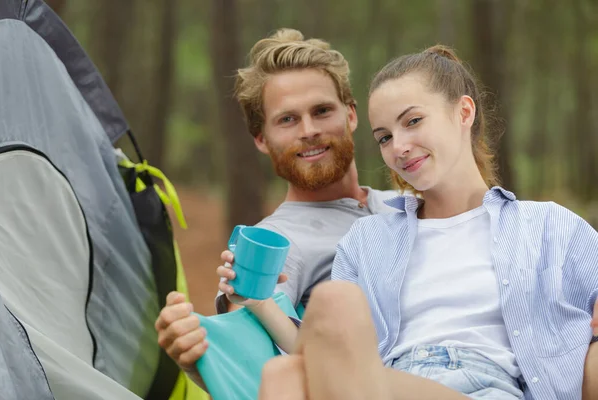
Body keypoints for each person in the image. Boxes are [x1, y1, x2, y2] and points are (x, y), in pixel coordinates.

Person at [216, 45, 598, 398]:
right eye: (384, 137)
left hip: (483, 386)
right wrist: (260, 303)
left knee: (329, 309)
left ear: (464, 112)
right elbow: (329, 353)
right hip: (386, 381)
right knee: (281, 374)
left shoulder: (549, 226)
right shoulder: (368, 239)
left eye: (412, 121)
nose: (398, 147)